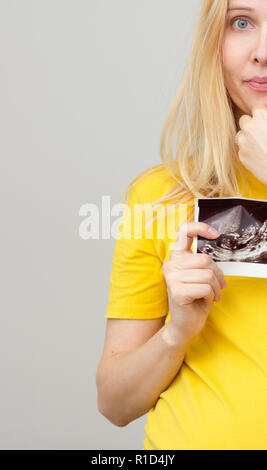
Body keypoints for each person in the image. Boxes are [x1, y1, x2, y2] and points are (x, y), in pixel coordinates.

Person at [96, 0, 267, 450]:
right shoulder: (161, 194)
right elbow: (115, 404)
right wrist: (176, 333)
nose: (263, 51)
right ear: (214, 40)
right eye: (242, 22)